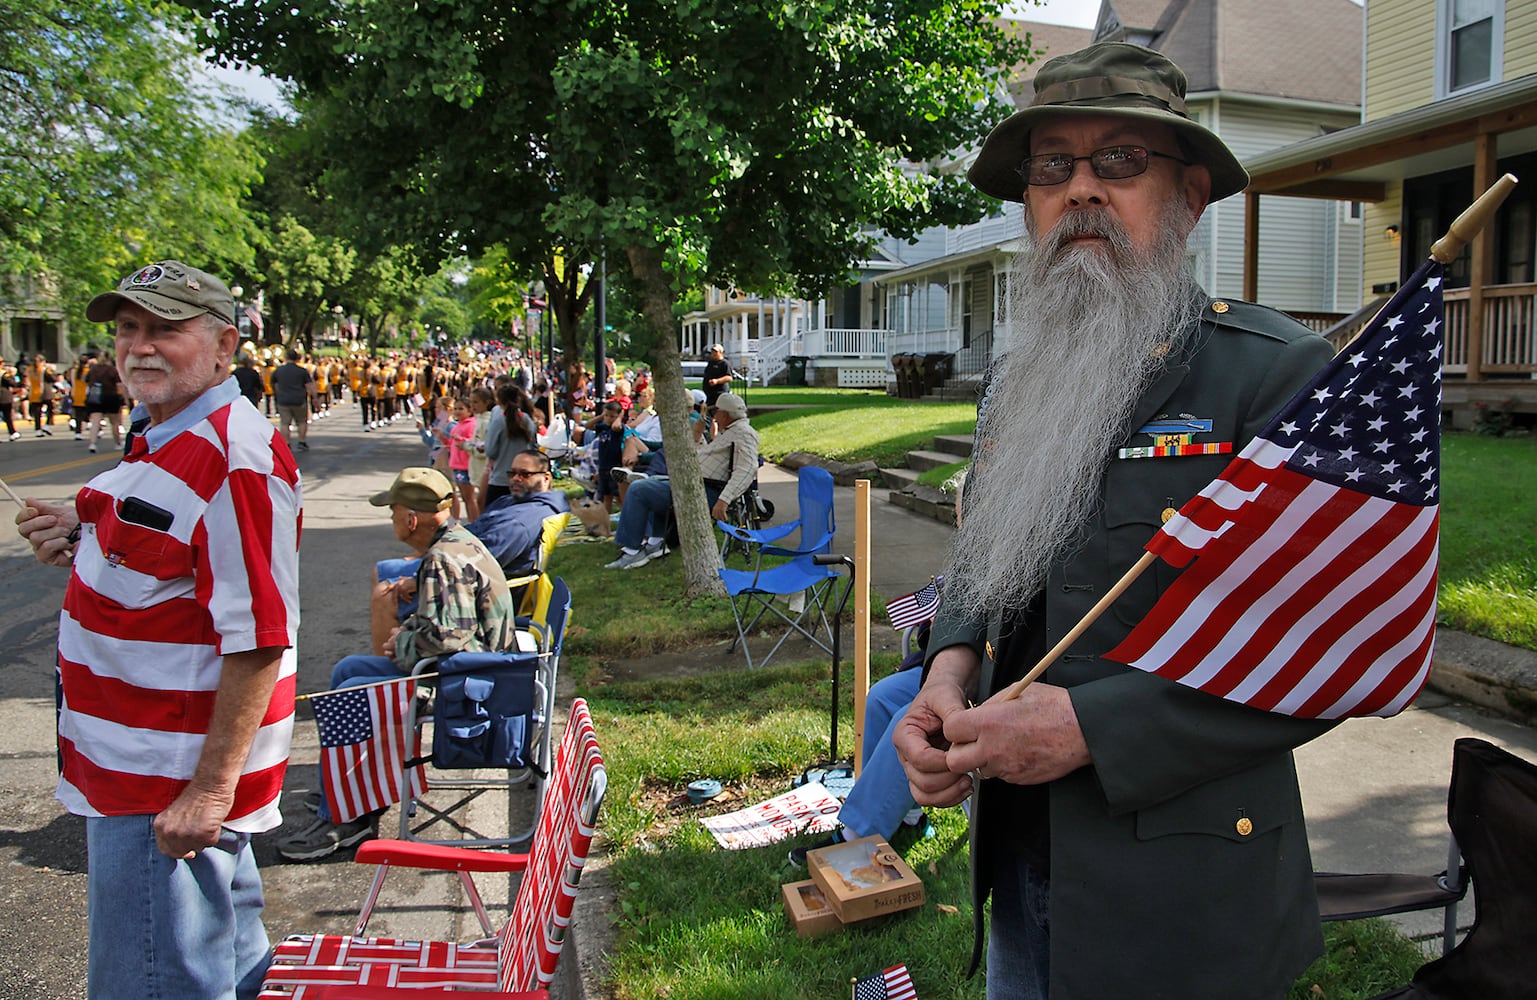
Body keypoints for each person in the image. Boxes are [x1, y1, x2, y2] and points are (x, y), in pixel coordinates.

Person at [892, 42, 1340, 1000]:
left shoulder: (1274, 378)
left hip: (1182, 896)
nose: (1081, 189)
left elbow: (1329, 644)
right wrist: (948, 667)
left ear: (1188, 197)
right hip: (1015, 855)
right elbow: (989, 552)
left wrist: (1090, 729)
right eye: (1052, 165)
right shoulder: (1016, 381)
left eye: (1120, 162)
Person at [14, 259, 302, 998]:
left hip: (164, 792)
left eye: (165, 329)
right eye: (127, 328)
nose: (139, 345)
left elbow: (260, 635)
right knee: (221, 973)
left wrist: (206, 795)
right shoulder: (166, 431)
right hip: (141, 777)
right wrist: (83, 544)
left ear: (222, 346)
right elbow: (170, 573)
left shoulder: (229, 456)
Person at [278, 467, 514, 861]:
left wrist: (401, 641)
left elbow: (448, 639)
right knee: (348, 670)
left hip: (465, 684)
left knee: (350, 694)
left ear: (410, 519)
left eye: (392, 512)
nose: (390, 520)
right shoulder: (454, 541)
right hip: (472, 670)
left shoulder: (443, 559)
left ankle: (347, 817)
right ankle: (341, 785)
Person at [605, 392, 758, 570]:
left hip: (706, 490)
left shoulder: (744, 434)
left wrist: (724, 500)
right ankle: (655, 543)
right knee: (652, 484)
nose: (714, 415)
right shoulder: (733, 431)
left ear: (724, 414)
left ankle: (632, 551)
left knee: (640, 489)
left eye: (716, 412)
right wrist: (701, 426)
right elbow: (698, 445)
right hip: (696, 484)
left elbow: (747, 469)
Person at [271, 348, 315, 451]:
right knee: (302, 421)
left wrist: (277, 393)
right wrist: (314, 398)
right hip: (299, 399)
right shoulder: (302, 371)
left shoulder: (279, 370)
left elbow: (273, 383)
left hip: (283, 399)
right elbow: (309, 385)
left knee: (285, 423)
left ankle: (287, 443)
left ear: (286, 358)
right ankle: (301, 442)